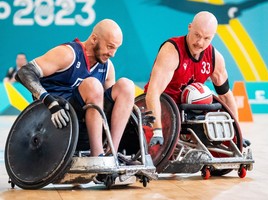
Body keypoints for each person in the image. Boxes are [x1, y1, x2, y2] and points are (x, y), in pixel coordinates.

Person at [16, 19, 135, 157]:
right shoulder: (68, 54)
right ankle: (97, 155)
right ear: (94, 39)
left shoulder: (108, 68)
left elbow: (109, 105)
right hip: (56, 116)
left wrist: (128, 112)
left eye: (116, 48)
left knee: (126, 86)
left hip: (86, 121)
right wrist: (49, 102)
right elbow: (24, 73)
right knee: (93, 85)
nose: (113, 53)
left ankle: (111, 152)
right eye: (110, 46)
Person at [144, 11, 250, 147]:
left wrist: (237, 133)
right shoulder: (172, 51)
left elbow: (226, 97)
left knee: (210, 105)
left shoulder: (215, 58)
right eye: (197, 35)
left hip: (191, 111)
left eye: (206, 38)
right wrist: (157, 130)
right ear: (190, 27)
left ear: (213, 37)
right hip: (164, 108)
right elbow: (153, 93)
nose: (200, 42)